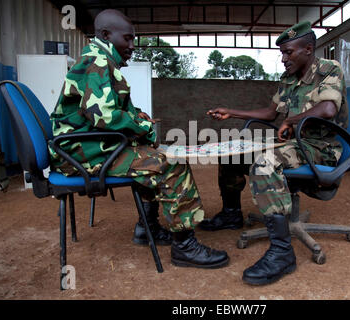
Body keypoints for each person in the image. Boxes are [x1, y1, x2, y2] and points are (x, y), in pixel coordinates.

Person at [49, 9, 229, 269]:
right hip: (82, 154)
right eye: (128, 39)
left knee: (150, 157)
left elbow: (110, 111)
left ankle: (148, 229)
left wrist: (138, 120)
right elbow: (106, 117)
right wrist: (143, 127)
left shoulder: (100, 61)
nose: (132, 46)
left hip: (88, 148)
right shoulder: (96, 63)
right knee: (171, 163)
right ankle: (185, 247)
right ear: (106, 35)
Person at [202, 21, 348, 285]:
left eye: (288, 52)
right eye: (281, 53)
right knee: (233, 151)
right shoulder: (288, 79)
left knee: (264, 162)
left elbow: (327, 109)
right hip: (293, 142)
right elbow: (271, 113)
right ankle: (232, 214)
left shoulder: (328, 69)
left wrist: (291, 122)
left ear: (308, 49)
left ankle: (282, 252)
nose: (283, 58)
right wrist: (231, 112)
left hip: (319, 148)